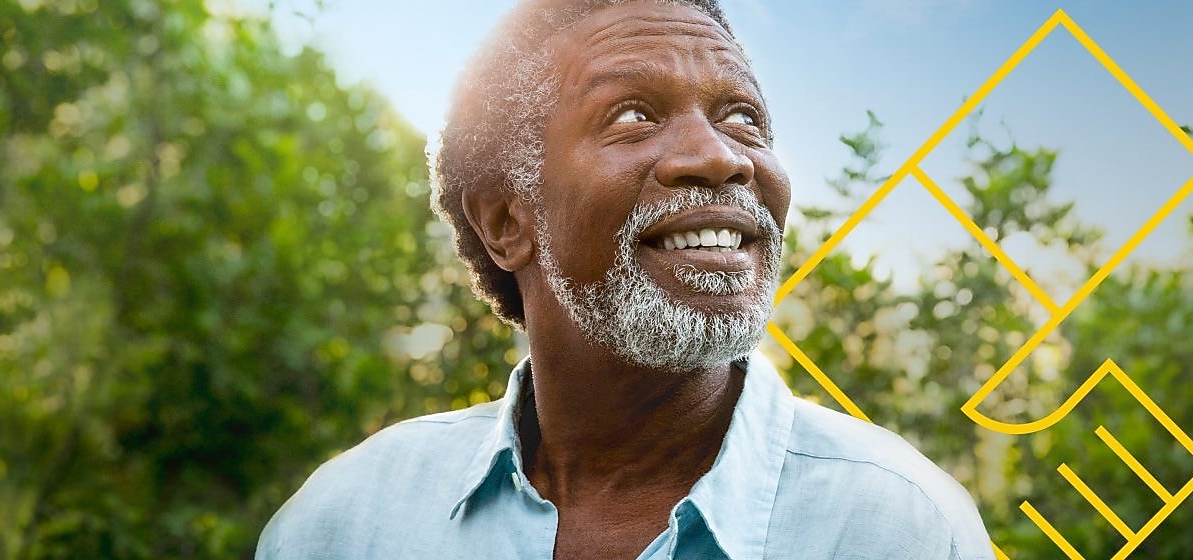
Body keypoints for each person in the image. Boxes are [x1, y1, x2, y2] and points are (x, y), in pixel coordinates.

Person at [257, 0, 996, 558]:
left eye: (743, 118)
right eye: (634, 116)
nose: (720, 158)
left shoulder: (897, 527)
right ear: (506, 221)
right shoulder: (345, 526)